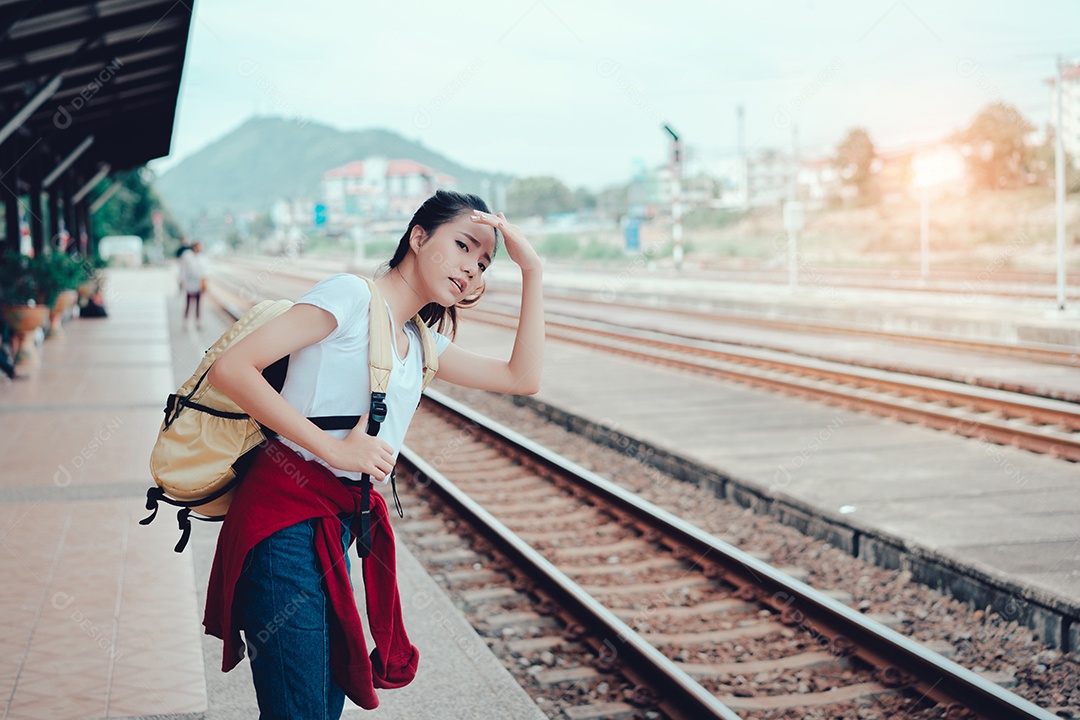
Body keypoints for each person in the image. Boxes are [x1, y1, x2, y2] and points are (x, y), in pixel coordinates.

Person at [202, 190, 543, 718]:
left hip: (335, 528)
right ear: (418, 235)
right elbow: (233, 369)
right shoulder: (350, 296)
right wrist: (336, 450)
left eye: (483, 263)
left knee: (321, 704)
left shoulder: (420, 343)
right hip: (282, 525)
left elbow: (523, 378)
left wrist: (533, 273)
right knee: (302, 711)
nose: (472, 270)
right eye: (463, 246)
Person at [178, 241, 206, 325]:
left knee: (198, 302)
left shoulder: (201, 257)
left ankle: (198, 321)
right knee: (188, 302)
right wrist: (181, 280)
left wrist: (205, 281)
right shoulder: (187, 256)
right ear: (194, 247)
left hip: (199, 282)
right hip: (190, 282)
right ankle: (186, 320)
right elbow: (183, 269)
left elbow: (204, 270)